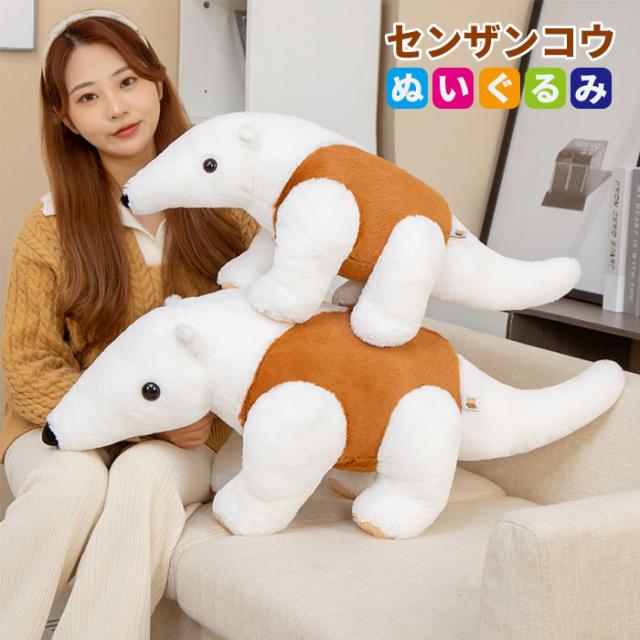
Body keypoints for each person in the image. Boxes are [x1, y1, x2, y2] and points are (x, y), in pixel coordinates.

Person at [0, 10, 256, 639]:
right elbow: (29, 365)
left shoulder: (227, 207)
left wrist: (188, 424)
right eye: (88, 96)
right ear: (66, 118)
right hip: (61, 430)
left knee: (143, 475)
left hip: (192, 438)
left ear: (157, 82)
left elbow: (265, 337)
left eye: (127, 82)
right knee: (71, 483)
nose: (116, 108)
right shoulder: (50, 227)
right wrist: (139, 419)